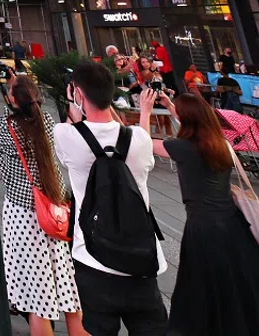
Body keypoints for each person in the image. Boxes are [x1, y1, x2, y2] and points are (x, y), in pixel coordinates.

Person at [54, 62, 168, 336]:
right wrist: (145, 113)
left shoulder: (65, 136)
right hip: (142, 261)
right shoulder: (139, 139)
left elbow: (74, 122)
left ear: (77, 94)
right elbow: (136, 139)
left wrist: (74, 102)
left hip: (94, 260)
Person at [138, 90, 259, 335]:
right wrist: (172, 106)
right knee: (238, 282)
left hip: (203, 229)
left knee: (202, 286)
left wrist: (145, 110)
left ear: (188, 121)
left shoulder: (183, 148)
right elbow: (194, 121)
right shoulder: (221, 144)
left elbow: (145, 144)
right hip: (233, 224)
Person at [0, 77, 86, 336]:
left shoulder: (3, 127)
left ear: (12, 100)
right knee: (66, 288)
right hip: (53, 213)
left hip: (24, 217)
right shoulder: (47, 121)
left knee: (37, 297)